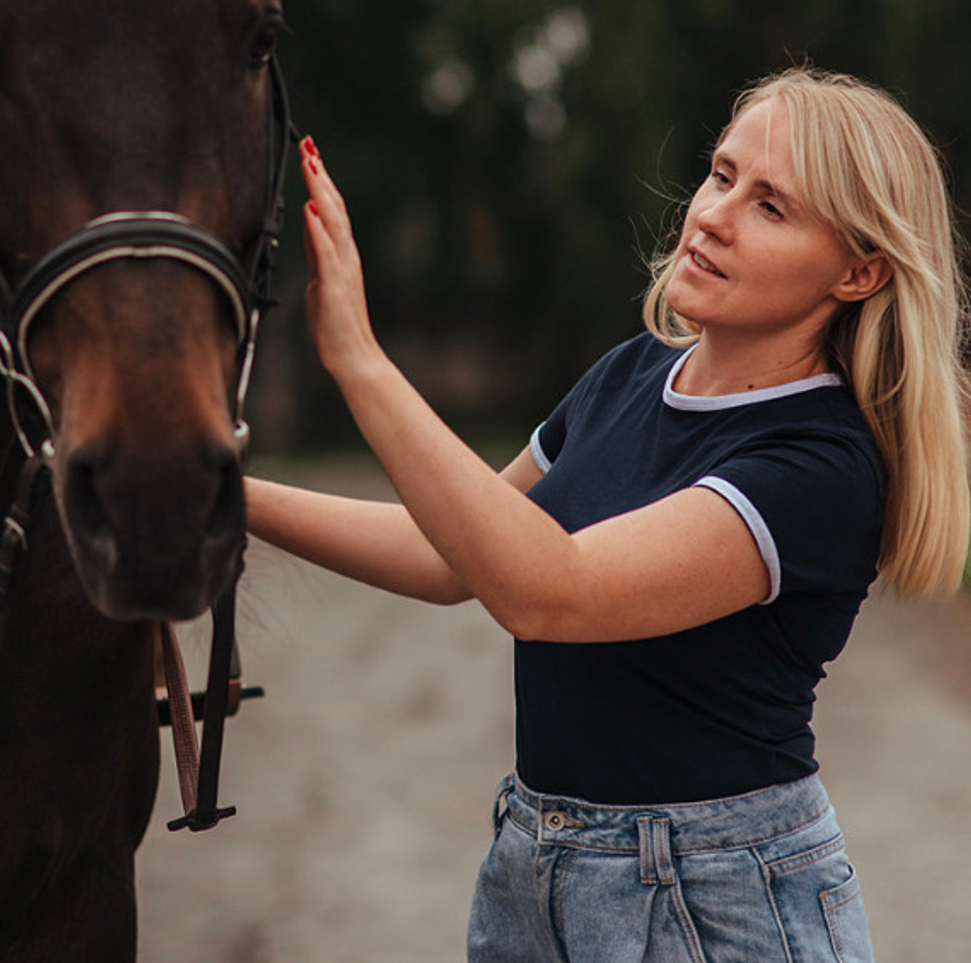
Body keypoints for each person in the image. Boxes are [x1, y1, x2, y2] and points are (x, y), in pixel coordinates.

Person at [245, 67, 970, 962]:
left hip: (715, 898)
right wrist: (222, 492)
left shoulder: (820, 464)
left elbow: (550, 591)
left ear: (860, 271)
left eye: (772, 206)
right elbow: (449, 558)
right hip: (531, 870)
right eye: (722, 173)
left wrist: (358, 360)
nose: (712, 213)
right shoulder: (633, 372)